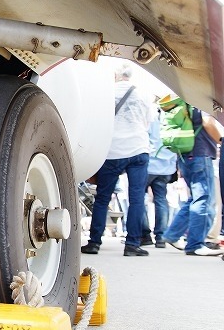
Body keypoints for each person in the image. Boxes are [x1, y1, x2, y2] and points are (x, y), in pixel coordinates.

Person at [81, 63, 151, 256]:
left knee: (103, 198)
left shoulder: (106, 93)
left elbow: (97, 121)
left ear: (115, 74)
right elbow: (147, 122)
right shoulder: (143, 94)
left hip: (112, 151)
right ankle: (132, 244)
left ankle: (94, 242)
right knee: (137, 198)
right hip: (138, 148)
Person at [161, 104, 223, 256]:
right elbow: (208, 122)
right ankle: (195, 244)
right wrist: (221, 140)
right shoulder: (201, 102)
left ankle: (173, 234)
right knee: (203, 199)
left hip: (186, 154)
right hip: (201, 154)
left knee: (195, 199)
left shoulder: (187, 102)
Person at [140, 104, 177, 248]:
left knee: (138, 199)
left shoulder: (153, 117)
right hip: (166, 166)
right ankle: (161, 237)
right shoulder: (174, 118)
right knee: (161, 200)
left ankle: (145, 234)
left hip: (149, 164)